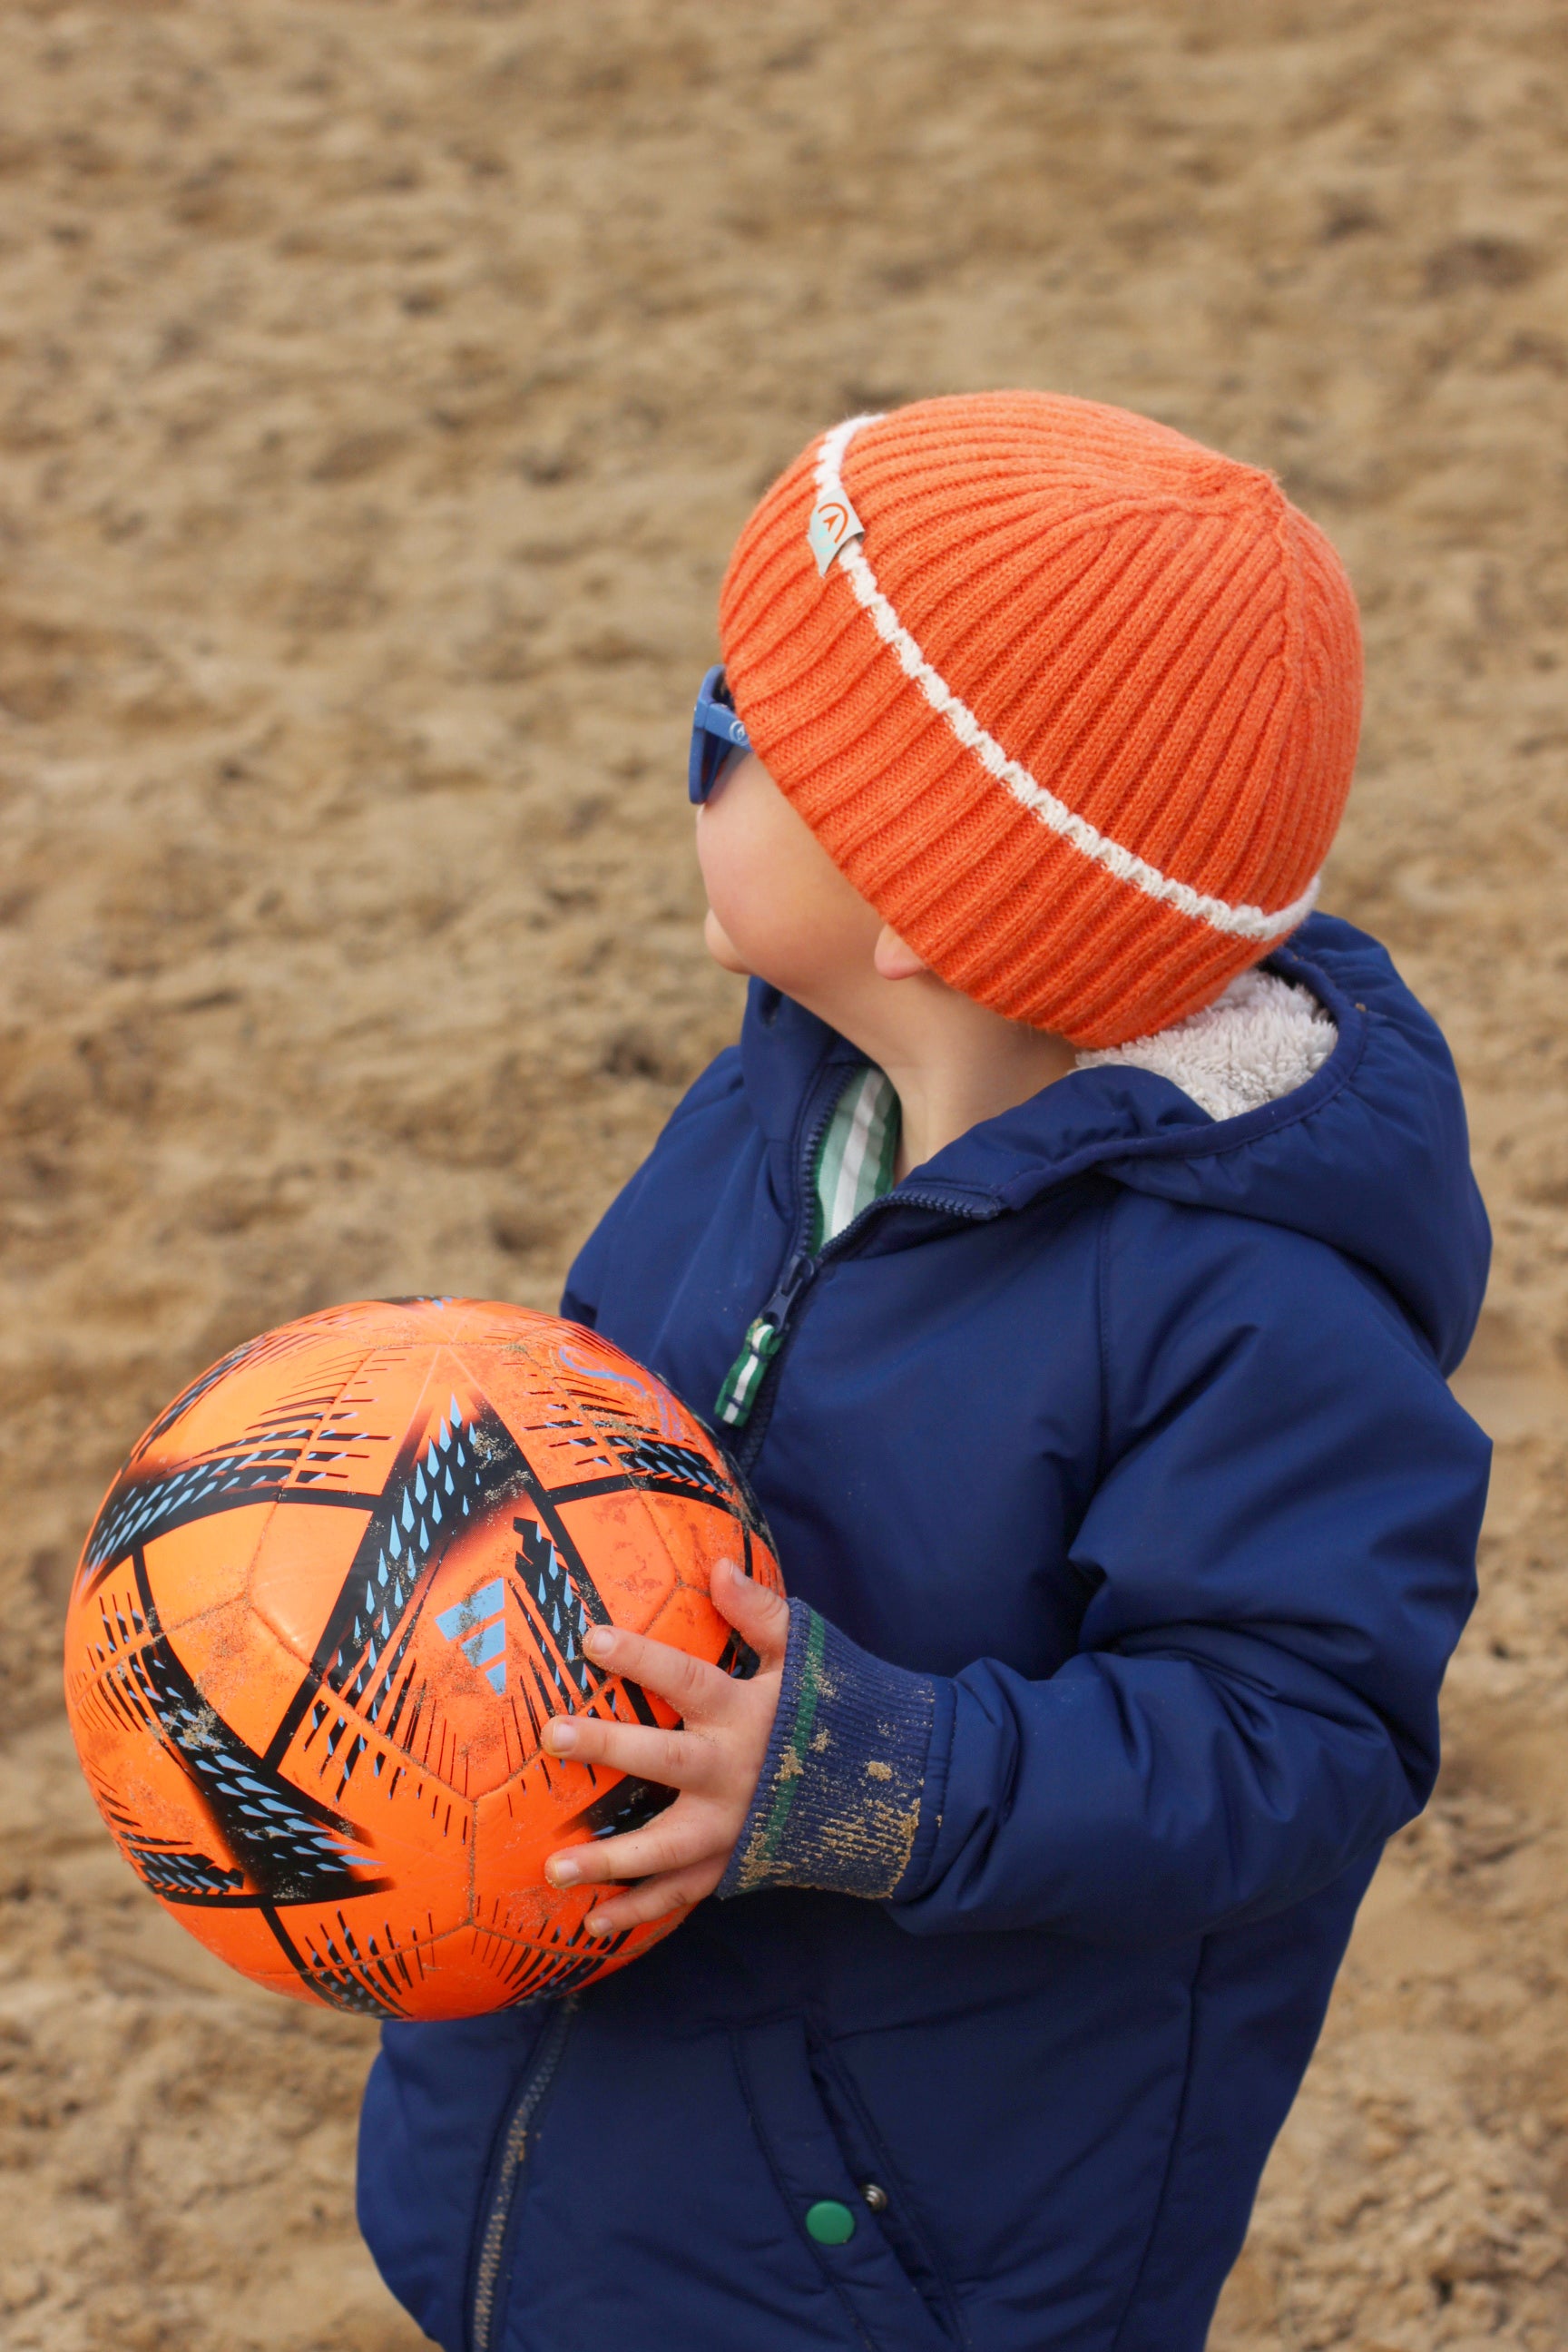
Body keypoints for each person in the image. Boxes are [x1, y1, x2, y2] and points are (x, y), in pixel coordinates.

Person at [357, 391, 1491, 2352]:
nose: (691, 749)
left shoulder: (1248, 1301)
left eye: (737, 727)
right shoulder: (788, 1095)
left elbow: (1298, 1735)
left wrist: (862, 1778)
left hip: (885, 2236)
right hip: (590, 2131)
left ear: (918, 892)